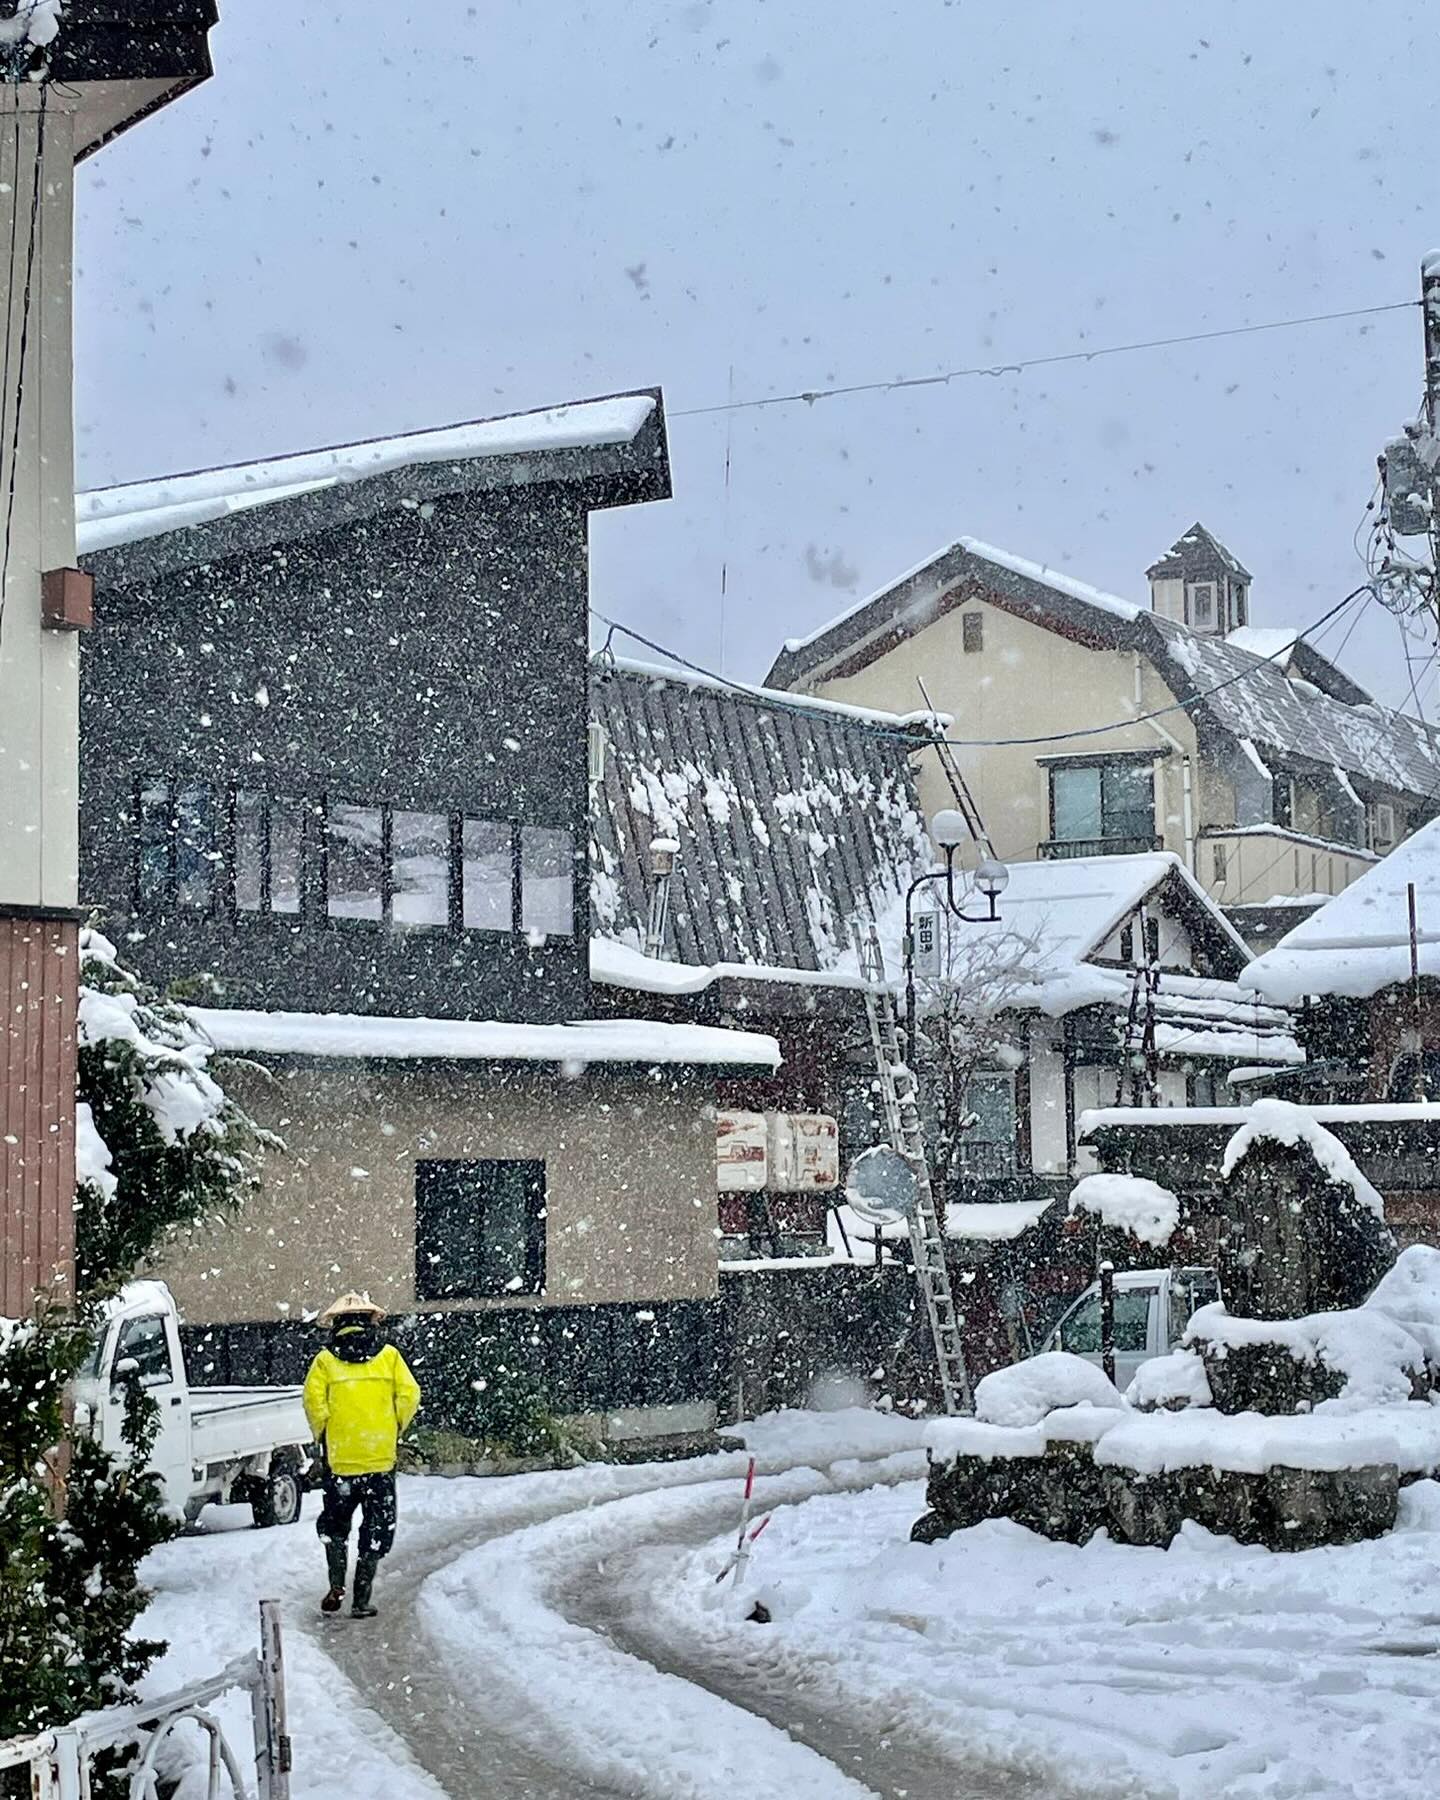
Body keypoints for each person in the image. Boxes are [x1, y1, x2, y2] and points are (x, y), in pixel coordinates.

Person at [302, 1293, 421, 1619]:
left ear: (336, 1325)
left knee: (335, 1526)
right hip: (379, 1460)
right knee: (376, 1529)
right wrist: (392, 1425)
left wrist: (324, 1434)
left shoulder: (325, 1361)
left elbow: (314, 1403)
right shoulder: (390, 1358)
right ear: (371, 1322)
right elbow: (410, 1395)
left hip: (341, 1461)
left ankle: (336, 1583)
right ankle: (361, 1599)